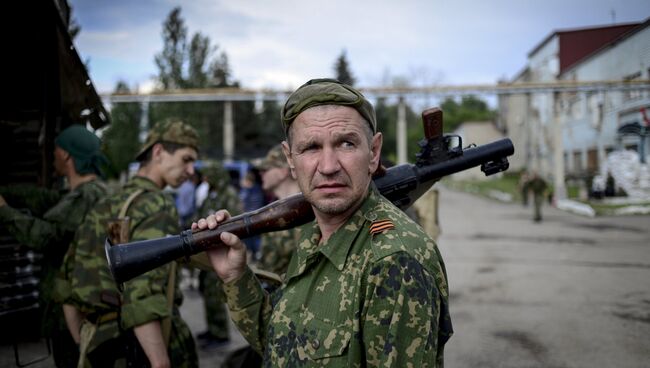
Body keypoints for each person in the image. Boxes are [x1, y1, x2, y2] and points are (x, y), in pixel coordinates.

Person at [194, 78, 453, 366]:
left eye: (346, 143)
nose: (328, 167)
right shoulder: (315, 236)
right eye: (311, 147)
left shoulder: (394, 261)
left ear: (374, 152)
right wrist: (236, 278)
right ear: (290, 159)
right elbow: (286, 348)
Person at [57, 120, 199, 367]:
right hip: (139, 348)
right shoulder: (158, 205)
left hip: (97, 344)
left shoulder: (104, 204)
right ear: (158, 153)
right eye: (186, 159)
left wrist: (84, 342)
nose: (191, 170)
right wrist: (159, 361)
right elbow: (142, 291)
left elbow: (65, 286)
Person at [0, 124, 107, 367]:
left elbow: (45, 236)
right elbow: (45, 199)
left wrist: (4, 211)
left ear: (67, 155)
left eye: (56, 151)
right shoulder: (84, 193)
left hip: (73, 306)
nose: (53, 156)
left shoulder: (87, 196)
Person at [193, 164, 243, 350]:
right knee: (206, 291)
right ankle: (212, 328)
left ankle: (220, 333)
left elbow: (235, 221)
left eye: (209, 176)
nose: (205, 179)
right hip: (207, 252)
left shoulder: (228, 194)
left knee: (215, 294)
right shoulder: (210, 194)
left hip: (222, 251)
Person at [255, 143, 302, 277]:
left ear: (283, 171)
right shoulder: (274, 211)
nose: (261, 173)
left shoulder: (307, 213)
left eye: (266, 169)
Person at [238, 170, 265, 259]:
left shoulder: (249, 191)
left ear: (248, 181)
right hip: (253, 219)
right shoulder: (257, 190)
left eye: (243, 180)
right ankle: (255, 254)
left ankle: (256, 254)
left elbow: (244, 205)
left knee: (253, 239)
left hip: (251, 220)